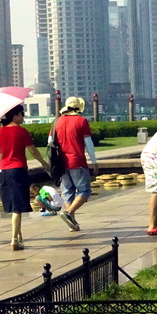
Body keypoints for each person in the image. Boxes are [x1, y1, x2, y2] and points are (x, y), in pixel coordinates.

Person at [0, 104, 50, 251]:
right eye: (21, 114)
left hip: (4, 170)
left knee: (12, 205)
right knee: (17, 207)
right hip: (18, 169)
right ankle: (14, 239)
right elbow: (32, 150)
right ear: (15, 116)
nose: (23, 117)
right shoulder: (21, 131)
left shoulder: (0, 132)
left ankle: (19, 237)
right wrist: (44, 163)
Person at [51, 96, 97, 232]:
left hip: (61, 162)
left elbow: (50, 141)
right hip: (77, 160)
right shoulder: (81, 121)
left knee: (68, 192)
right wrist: (94, 162)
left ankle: (72, 223)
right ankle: (69, 213)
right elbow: (88, 143)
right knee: (85, 191)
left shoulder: (57, 122)